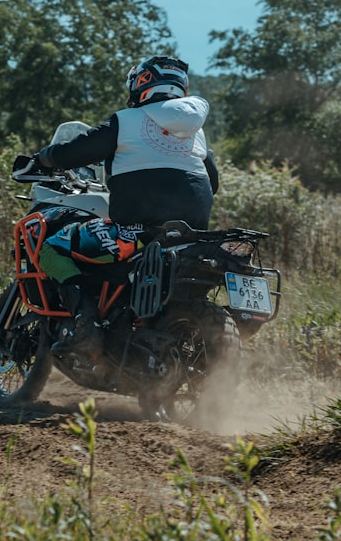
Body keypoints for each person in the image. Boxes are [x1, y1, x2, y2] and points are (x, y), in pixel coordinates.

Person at [16, 56, 219, 361]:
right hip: (185, 236)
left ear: (141, 84)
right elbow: (212, 182)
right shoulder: (196, 134)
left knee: (52, 247)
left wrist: (41, 159)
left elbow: (76, 150)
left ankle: (87, 328)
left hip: (134, 232)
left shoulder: (125, 121)